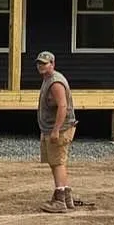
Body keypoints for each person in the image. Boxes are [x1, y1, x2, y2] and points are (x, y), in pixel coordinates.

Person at [36, 50, 78, 212]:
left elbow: (62, 106)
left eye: (45, 63)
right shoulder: (48, 79)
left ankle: (60, 199)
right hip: (51, 128)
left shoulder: (55, 83)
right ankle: (66, 196)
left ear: (52, 64)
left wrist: (56, 130)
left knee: (58, 163)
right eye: (39, 63)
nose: (41, 66)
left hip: (59, 129)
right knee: (57, 162)